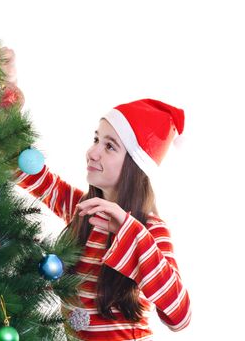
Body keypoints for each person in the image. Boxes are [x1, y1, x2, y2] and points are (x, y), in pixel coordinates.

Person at [13, 98, 192, 340]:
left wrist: (130, 232)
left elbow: (180, 316)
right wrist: (8, 101)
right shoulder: (84, 211)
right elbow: (30, 173)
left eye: (110, 146)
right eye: (96, 139)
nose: (92, 152)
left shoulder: (150, 229)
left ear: (135, 165)